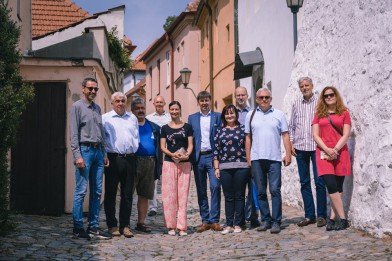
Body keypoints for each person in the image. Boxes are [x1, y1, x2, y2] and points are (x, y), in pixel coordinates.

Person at [245, 87, 291, 234]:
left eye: (266, 97)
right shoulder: (250, 115)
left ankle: (276, 221)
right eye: (260, 98)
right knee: (260, 191)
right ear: (256, 99)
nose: (264, 100)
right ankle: (266, 219)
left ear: (271, 99)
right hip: (257, 158)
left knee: (275, 190)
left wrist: (288, 153)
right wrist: (248, 158)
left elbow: (285, 135)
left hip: (274, 158)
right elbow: (247, 138)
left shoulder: (279, 115)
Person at [69, 77, 111, 240]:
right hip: (84, 151)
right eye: (90, 88)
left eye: (95, 89)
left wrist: (104, 153)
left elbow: (100, 133)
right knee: (81, 191)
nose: (93, 91)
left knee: (97, 191)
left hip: (98, 153)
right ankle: (78, 227)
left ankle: (93, 226)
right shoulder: (77, 107)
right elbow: (73, 134)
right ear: (83, 88)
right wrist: (77, 155)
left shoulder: (97, 108)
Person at [288, 77, 327, 227]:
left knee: (319, 181)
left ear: (312, 86)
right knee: (304, 182)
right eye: (302, 86)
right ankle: (310, 215)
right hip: (300, 148)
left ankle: (322, 215)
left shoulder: (320, 102)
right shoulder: (296, 103)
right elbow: (292, 125)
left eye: (307, 85)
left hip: (317, 147)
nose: (305, 88)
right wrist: (291, 143)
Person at [312, 86, 351, 231]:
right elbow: (315, 135)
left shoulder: (344, 113)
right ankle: (344, 218)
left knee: (338, 187)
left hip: (340, 152)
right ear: (323, 98)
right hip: (323, 153)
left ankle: (332, 219)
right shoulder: (318, 114)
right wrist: (327, 149)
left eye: (331, 95)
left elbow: (346, 134)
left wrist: (335, 149)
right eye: (326, 96)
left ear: (336, 96)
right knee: (331, 185)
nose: (329, 97)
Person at [102, 92, 139, 238]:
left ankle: (125, 225)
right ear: (112, 103)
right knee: (110, 193)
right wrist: (104, 156)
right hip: (113, 158)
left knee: (127, 194)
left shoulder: (132, 118)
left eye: (123, 101)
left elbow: (135, 137)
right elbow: (103, 139)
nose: (120, 103)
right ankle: (112, 225)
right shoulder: (105, 118)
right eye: (117, 101)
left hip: (130, 159)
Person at [188, 91, 222, 233]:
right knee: (201, 190)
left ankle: (214, 220)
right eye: (201, 100)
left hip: (213, 157)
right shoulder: (192, 118)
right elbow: (189, 137)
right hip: (198, 157)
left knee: (215, 186)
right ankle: (205, 220)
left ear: (210, 101)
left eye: (207, 100)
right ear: (198, 102)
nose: (204, 103)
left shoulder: (218, 116)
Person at [213, 105, 250, 234]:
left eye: (232, 113)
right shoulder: (219, 131)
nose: (230, 116)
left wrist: (249, 164)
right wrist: (216, 167)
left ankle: (238, 224)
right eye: (227, 114)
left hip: (241, 167)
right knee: (228, 196)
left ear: (236, 115)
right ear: (223, 116)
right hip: (224, 167)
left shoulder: (243, 129)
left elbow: (247, 147)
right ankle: (229, 224)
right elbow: (216, 150)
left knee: (239, 196)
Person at [160, 101, 193, 236]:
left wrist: (187, 155)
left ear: (180, 110)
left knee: (183, 196)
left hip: (185, 163)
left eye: (176, 109)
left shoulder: (187, 127)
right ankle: (171, 226)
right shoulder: (164, 128)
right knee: (169, 196)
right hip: (169, 163)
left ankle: (182, 226)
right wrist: (172, 154)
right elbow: (162, 146)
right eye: (172, 110)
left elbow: (190, 144)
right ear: (169, 111)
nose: (174, 112)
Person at [131, 98, 161, 233]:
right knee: (128, 193)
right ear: (132, 111)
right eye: (137, 108)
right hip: (133, 161)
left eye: (142, 108)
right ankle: (124, 223)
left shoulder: (154, 127)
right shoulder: (129, 125)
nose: (140, 110)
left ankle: (141, 223)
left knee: (144, 195)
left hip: (150, 162)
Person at [235, 86, 260, 229]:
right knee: (239, 188)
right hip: (237, 155)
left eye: (242, 95)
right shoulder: (231, 112)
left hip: (252, 152)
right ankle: (241, 217)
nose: (240, 97)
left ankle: (254, 216)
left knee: (254, 187)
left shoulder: (253, 113)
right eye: (238, 95)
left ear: (247, 96)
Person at [146, 95, 171, 217]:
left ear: (164, 103)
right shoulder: (148, 118)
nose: (159, 104)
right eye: (157, 102)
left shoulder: (170, 117)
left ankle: (168, 206)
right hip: (154, 152)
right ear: (154, 104)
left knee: (168, 181)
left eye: (161, 102)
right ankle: (153, 207)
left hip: (168, 152)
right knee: (153, 180)